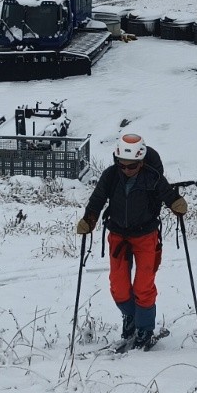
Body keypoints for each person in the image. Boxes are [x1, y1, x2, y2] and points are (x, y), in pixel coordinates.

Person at [75, 133, 187, 348]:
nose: (126, 169)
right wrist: (89, 220)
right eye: (122, 165)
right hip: (118, 236)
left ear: (141, 161)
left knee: (144, 285)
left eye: (132, 166)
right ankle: (131, 318)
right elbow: (97, 199)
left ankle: (144, 329)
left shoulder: (152, 176)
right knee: (119, 286)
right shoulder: (110, 175)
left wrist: (176, 203)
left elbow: (167, 193)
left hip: (146, 236)